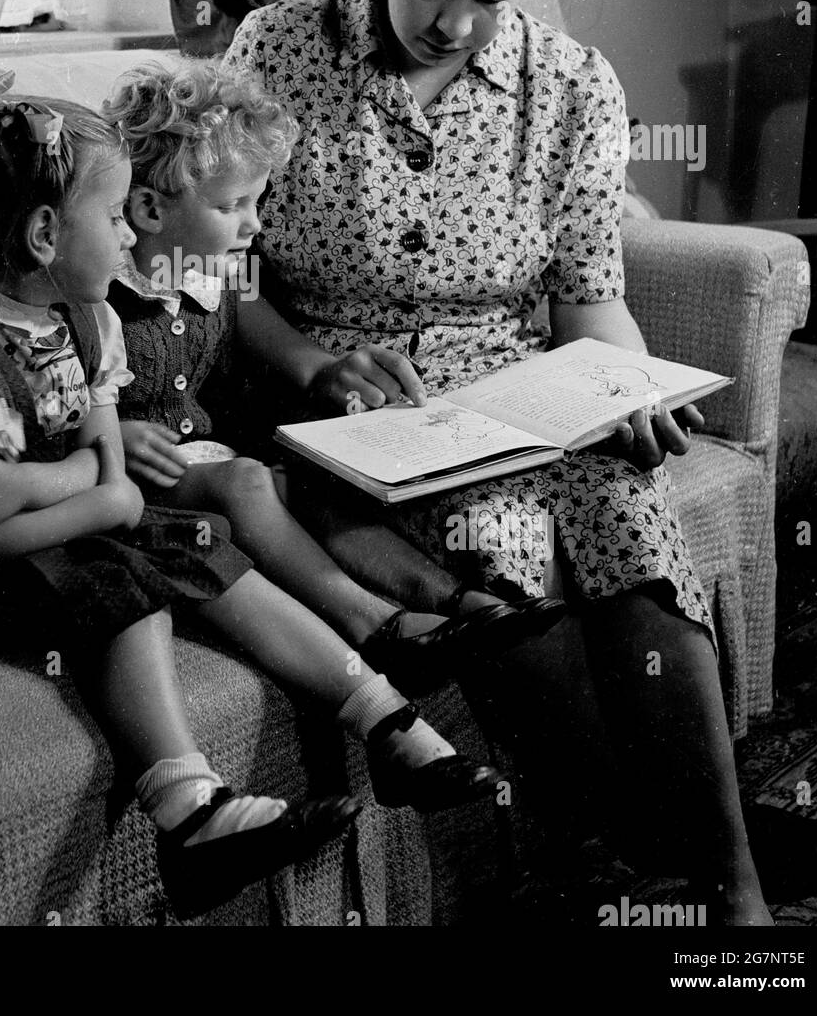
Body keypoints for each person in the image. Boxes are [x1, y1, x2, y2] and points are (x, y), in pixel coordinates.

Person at [219, 0, 778, 924]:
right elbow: (226, 285)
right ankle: (575, 874)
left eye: (491, 0)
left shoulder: (571, 85)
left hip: (516, 387)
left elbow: (587, 294)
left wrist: (622, 392)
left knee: (630, 516)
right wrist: (317, 367)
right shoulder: (276, 52)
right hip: (345, 412)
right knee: (501, 549)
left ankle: (731, 890)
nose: (456, 23)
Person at [0, 77, 501, 921]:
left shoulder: (87, 321)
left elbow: (107, 474)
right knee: (136, 574)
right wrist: (102, 496)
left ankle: (388, 722)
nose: (126, 238)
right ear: (46, 233)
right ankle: (188, 807)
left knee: (193, 541)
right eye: (116, 217)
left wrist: (86, 491)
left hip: (53, 532)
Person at [103, 57, 566, 697]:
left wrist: (328, 371)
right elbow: (53, 407)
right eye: (232, 204)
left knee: (310, 481)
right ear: (150, 209)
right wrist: (108, 437)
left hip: (219, 466)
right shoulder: (94, 297)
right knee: (247, 479)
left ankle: (463, 603)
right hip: (134, 489)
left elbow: (290, 351)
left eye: (256, 201)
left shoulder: (221, 275)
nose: (254, 224)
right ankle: (375, 626)